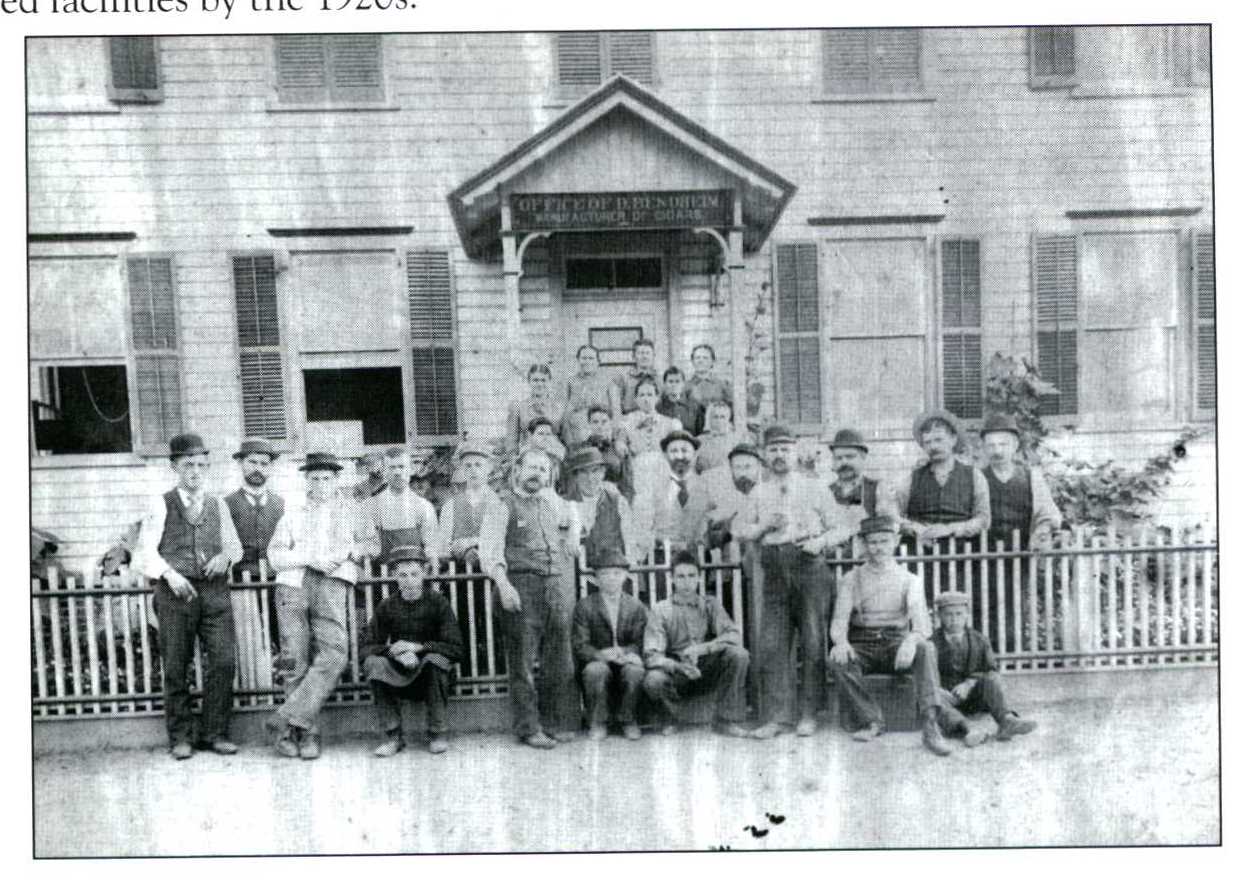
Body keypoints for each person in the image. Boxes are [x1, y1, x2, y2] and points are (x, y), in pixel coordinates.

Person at [736, 425, 855, 739]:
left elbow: (842, 529)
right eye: (773, 449)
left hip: (809, 565)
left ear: (795, 452)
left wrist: (821, 543)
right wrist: (763, 525)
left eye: (784, 449)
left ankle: (809, 714)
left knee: (814, 641)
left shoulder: (815, 487)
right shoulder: (758, 492)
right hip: (773, 568)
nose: (778, 455)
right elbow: (740, 530)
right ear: (764, 455)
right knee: (773, 644)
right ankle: (778, 717)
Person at [136, 432, 243, 759]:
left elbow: (235, 547)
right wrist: (170, 574)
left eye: (201, 465)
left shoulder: (218, 504)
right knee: (176, 665)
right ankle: (180, 737)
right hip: (174, 593)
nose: (196, 471)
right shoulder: (161, 503)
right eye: (188, 465)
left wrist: (225, 557)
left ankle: (214, 732)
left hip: (214, 593)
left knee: (224, 662)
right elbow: (143, 553)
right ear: (175, 467)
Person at [265, 452, 379, 760]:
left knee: (335, 653)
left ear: (336, 480)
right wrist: (307, 557)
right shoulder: (293, 514)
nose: (321, 484)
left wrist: (349, 551)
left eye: (327, 478)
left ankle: (286, 717)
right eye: (314, 478)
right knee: (296, 661)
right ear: (307, 481)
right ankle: (302, 735)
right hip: (294, 585)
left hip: (332, 584)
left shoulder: (352, 511)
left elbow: (372, 545)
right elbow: (275, 557)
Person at [479, 446, 582, 749]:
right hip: (520, 587)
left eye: (542, 469)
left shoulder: (551, 504)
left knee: (558, 658)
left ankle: (555, 722)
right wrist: (503, 584)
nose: (536, 473)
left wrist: (574, 531)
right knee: (522, 662)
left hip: (554, 587)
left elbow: (574, 511)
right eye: (531, 467)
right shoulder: (502, 504)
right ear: (518, 470)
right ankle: (528, 727)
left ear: (549, 476)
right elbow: (490, 549)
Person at [827, 515, 953, 756]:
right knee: (836, 659)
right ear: (864, 544)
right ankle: (872, 720)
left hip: (896, 642)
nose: (878, 548)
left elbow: (922, 625)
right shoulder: (851, 579)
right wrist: (841, 641)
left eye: (884, 541)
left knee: (926, 649)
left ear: (895, 541)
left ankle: (930, 726)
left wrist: (911, 640)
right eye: (872, 542)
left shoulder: (909, 579)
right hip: (863, 641)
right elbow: (839, 619)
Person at [363, 546, 465, 756]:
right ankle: (393, 736)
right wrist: (395, 652)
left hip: (431, 676)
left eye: (414, 574)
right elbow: (366, 648)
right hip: (399, 674)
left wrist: (418, 648)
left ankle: (437, 733)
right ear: (394, 577)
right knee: (374, 663)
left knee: (435, 660)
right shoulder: (387, 606)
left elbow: (456, 648)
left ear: (424, 574)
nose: (409, 580)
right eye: (403, 575)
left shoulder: (438, 603)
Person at [641, 549, 751, 738]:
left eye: (691, 576)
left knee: (738, 655)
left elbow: (733, 634)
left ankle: (726, 719)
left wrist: (704, 648)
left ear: (699, 578)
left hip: (707, 666)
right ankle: (673, 718)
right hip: (678, 672)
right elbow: (651, 655)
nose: (686, 582)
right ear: (672, 579)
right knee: (653, 680)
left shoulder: (710, 604)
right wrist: (678, 666)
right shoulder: (661, 610)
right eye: (681, 577)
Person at [896, 409, 992, 602]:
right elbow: (893, 515)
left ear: (953, 440)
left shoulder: (973, 476)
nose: (933, 447)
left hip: (962, 557)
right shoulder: (911, 479)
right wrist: (916, 529)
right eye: (928, 442)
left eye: (939, 440)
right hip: (920, 556)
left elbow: (984, 519)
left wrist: (949, 529)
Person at [931, 591, 1037, 746]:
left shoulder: (979, 639)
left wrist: (969, 684)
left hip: (973, 698)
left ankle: (1006, 721)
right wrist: (937, 689)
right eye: (948, 615)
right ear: (939, 616)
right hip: (946, 699)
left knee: (993, 678)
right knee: (933, 698)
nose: (954, 619)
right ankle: (968, 730)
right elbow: (924, 675)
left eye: (959, 614)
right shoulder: (930, 643)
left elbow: (991, 669)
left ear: (967, 614)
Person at [225, 437, 285, 692]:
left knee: (284, 637)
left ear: (270, 467)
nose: (258, 468)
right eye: (252, 462)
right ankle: (254, 688)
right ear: (240, 464)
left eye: (264, 463)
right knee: (249, 640)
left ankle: (284, 685)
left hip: (276, 580)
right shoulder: (226, 505)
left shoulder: (280, 504)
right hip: (243, 584)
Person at [572, 551, 650, 741]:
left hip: (625, 659)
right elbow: (580, 644)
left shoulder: (636, 606)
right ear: (595, 579)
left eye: (617, 573)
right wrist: (601, 655)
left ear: (625, 576)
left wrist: (624, 652)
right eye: (605, 574)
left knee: (635, 671)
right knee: (595, 671)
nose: (611, 579)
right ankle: (598, 722)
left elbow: (641, 642)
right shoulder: (585, 606)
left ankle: (628, 720)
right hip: (598, 660)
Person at [980, 413, 1061, 551]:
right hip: (985, 558)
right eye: (991, 445)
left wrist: (1043, 529)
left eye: (1003, 444)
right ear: (984, 447)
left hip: (1024, 556)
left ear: (1015, 445)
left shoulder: (1032, 477)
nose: (997, 451)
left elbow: (1048, 514)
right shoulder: (977, 478)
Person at [632, 429, 713, 557]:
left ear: (695, 454)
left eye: (685, 451)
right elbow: (641, 529)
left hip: (698, 559)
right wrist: (662, 542)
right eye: (674, 451)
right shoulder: (651, 488)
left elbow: (711, 526)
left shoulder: (707, 487)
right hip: (661, 559)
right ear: (664, 455)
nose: (680, 456)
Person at [365, 446, 440, 565]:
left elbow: (432, 546)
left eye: (401, 467)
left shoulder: (424, 506)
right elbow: (368, 547)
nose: (397, 472)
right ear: (384, 471)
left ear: (410, 470)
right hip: (382, 575)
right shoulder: (371, 506)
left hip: (415, 574)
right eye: (392, 467)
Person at [565, 445, 636, 569]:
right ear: (575, 476)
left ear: (603, 473)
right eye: (584, 472)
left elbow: (630, 541)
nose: (590, 478)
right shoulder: (564, 503)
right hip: (576, 574)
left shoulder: (617, 501)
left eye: (595, 471)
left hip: (611, 573)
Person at [433, 440, 501, 568]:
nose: (473, 470)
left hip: (494, 574)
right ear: (462, 469)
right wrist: (459, 550)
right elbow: (442, 548)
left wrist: (470, 543)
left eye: (478, 465)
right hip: (460, 576)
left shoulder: (499, 503)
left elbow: (504, 540)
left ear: (489, 468)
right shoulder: (450, 506)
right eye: (468, 466)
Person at [617, 375, 682, 493]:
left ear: (657, 398)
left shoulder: (669, 423)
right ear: (636, 399)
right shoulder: (628, 420)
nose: (646, 399)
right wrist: (621, 446)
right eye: (641, 395)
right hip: (638, 469)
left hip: (661, 469)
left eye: (650, 395)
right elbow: (620, 440)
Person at [825, 428, 897, 524]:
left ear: (863, 458)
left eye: (850, 457)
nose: (844, 462)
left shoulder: (878, 489)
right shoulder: (826, 492)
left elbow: (888, 526)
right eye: (838, 458)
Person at [564, 344, 618, 448]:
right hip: (577, 436)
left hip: (602, 434)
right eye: (584, 358)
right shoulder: (571, 382)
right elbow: (565, 415)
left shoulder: (608, 382)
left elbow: (616, 412)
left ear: (598, 361)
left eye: (591, 358)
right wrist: (569, 441)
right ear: (578, 360)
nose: (587, 361)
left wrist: (613, 438)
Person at [505, 363, 564, 452]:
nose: (539, 384)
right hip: (528, 456)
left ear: (549, 382)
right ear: (529, 381)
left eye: (543, 380)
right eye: (535, 380)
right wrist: (513, 459)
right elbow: (512, 440)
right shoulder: (519, 408)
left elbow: (565, 438)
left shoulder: (559, 408)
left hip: (553, 455)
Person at [695, 400, 749, 474]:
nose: (719, 420)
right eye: (715, 417)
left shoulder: (737, 440)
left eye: (722, 417)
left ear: (728, 419)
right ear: (709, 419)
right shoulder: (699, 441)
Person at [616, 337, 661, 414]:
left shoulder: (660, 379)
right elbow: (616, 407)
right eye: (640, 353)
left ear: (653, 356)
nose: (644, 356)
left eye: (647, 353)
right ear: (633, 357)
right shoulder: (623, 379)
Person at [686, 343, 733, 417]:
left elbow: (731, 409)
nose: (701, 361)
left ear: (713, 361)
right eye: (697, 358)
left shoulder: (722, 385)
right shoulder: (686, 386)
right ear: (692, 361)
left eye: (705, 358)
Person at [657, 366, 704, 436]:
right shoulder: (659, 407)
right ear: (664, 384)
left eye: (677, 381)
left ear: (683, 384)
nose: (674, 385)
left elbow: (700, 434)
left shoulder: (694, 406)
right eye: (670, 381)